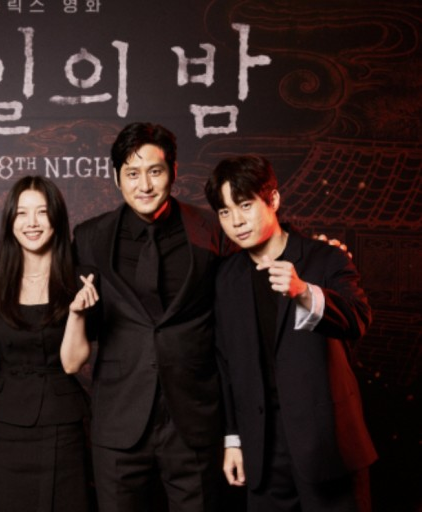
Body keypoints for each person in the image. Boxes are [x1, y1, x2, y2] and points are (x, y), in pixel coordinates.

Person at [204, 155, 376, 512]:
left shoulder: (325, 258)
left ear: (274, 200)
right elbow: (225, 363)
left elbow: (358, 320)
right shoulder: (225, 278)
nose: (236, 221)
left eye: (245, 205)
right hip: (263, 450)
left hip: (327, 445)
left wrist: (304, 292)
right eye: (225, 212)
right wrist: (233, 438)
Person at [71, 122, 229, 511]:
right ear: (116, 178)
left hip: (194, 421)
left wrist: (310, 253)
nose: (144, 185)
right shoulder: (89, 238)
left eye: (154, 171)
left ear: (173, 171)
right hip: (119, 421)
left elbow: (252, 271)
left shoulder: (212, 229)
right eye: (132, 174)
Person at [0, 176, 98, 512]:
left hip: (61, 427)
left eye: (42, 212)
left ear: (56, 218)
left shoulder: (81, 279)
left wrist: (76, 314)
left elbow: (72, 364)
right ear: (10, 221)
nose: (32, 222)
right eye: (22, 213)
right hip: (2, 426)